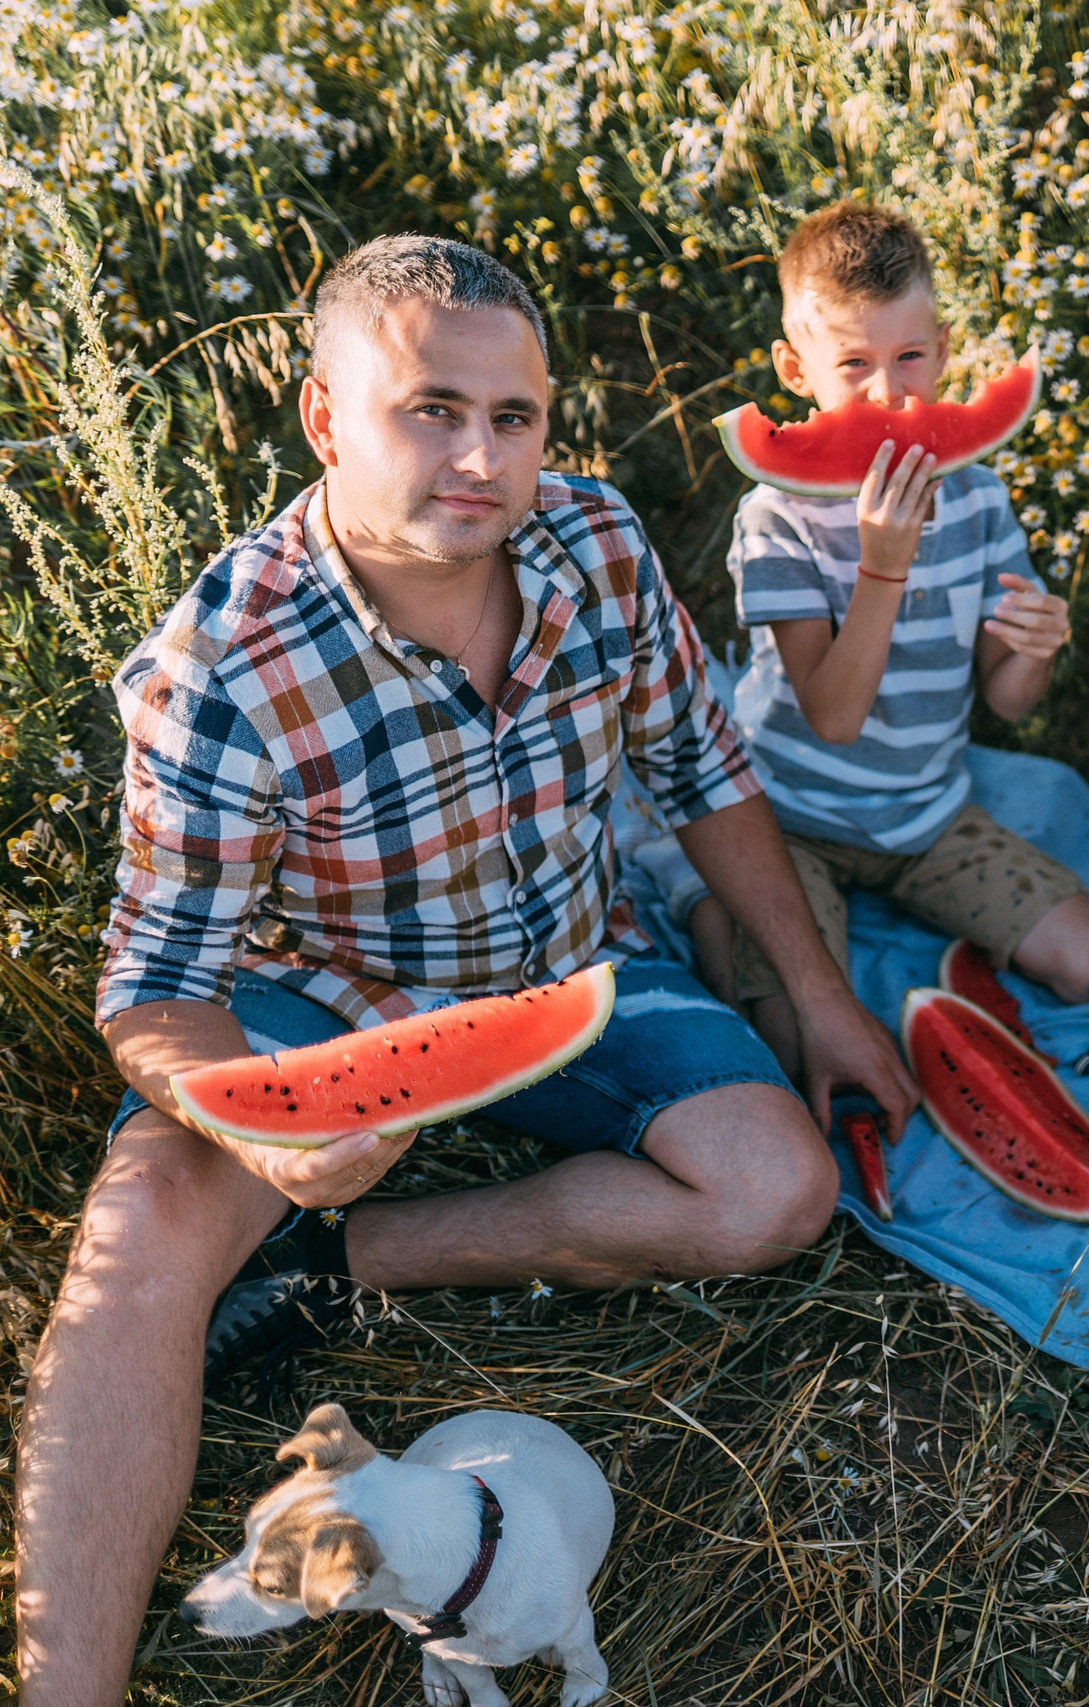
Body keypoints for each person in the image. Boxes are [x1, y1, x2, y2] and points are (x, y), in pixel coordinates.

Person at [14, 235, 918, 1706]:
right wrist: (265, 1127)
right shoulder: (225, 669)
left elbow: (703, 772)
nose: (483, 460)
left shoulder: (597, 542)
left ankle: (331, 1263)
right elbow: (154, 985)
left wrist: (819, 998)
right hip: (325, 997)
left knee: (777, 1191)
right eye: (432, 410)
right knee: (146, 1223)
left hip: (577, 966)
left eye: (514, 417)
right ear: (325, 418)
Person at [661, 200, 1089, 1074]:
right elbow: (833, 717)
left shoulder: (980, 497)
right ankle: (703, 889)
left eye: (909, 356)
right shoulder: (776, 518)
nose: (887, 393)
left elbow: (1007, 701)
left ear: (944, 351)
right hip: (788, 818)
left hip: (927, 815)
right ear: (795, 370)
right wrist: (883, 569)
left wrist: (1036, 647)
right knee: (789, 1044)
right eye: (853, 364)